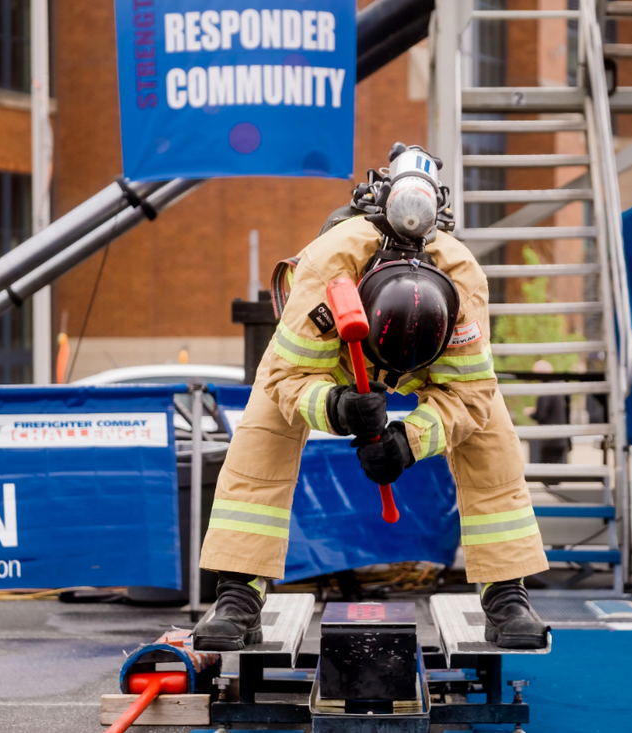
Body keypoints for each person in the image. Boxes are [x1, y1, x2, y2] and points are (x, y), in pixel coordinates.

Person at [193, 144, 550, 652]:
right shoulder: (326, 266)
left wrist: (408, 441)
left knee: (492, 433)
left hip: (433, 356)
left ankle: (506, 592)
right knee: (264, 427)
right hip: (336, 352)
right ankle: (238, 593)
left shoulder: (463, 281)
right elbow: (288, 376)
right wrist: (336, 407)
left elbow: (469, 395)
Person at [524, 359, 571, 465]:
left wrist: (531, 413)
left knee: (547, 473)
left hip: (550, 439)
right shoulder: (559, 386)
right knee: (555, 472)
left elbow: (541, 415)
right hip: (560, 438)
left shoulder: (545, 390)